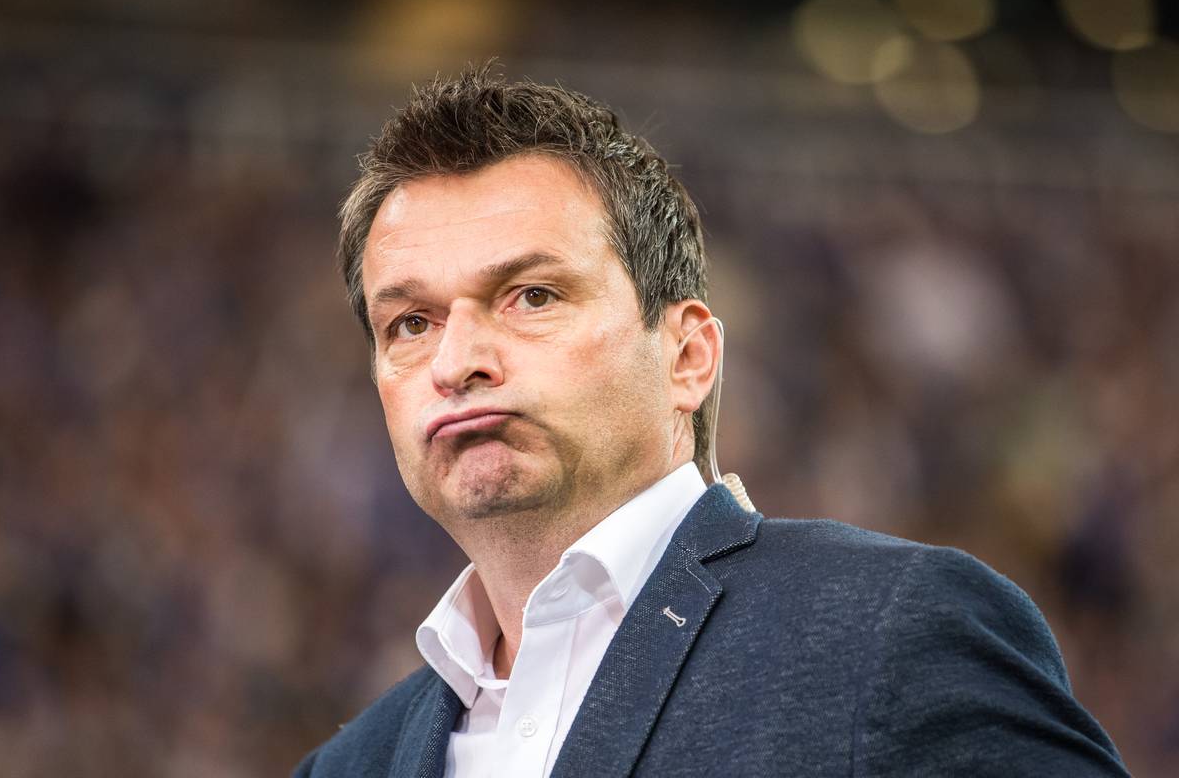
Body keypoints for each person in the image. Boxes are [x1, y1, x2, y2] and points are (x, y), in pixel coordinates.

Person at [293, 65, 1128, 777]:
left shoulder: (894, 633)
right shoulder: (349, 765)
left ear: (688, 357)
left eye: (533, 296)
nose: (456, 361)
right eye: (411, 322)